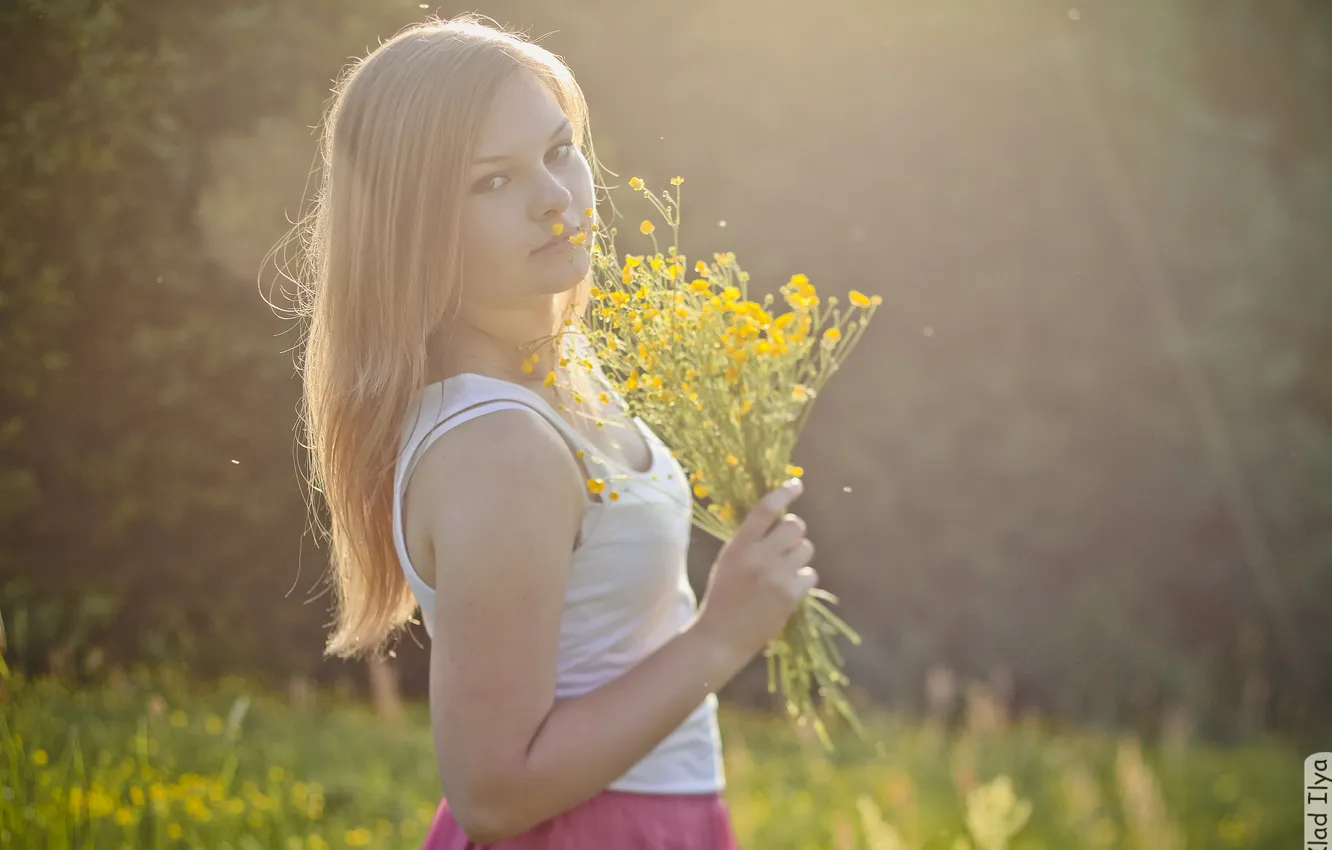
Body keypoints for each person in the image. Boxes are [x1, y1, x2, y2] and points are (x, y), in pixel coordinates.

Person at [292, 14, 819, 848]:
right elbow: (493, 794)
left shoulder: (551, 378)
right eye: (491, 182)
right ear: (412, 224)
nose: (553, 199)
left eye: (559, 150)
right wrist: (722, 636)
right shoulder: (497, 446)